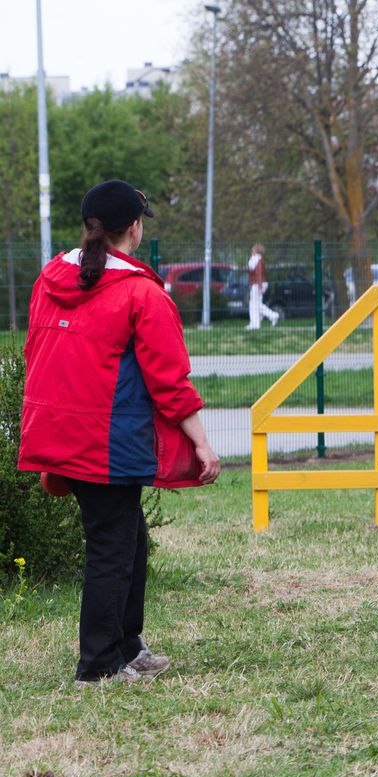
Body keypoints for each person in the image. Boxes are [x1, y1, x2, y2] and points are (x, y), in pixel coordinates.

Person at [18, 180, 221, 685]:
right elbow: (170, 382)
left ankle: (128, 647)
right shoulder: (138, 292)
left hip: (60, 431)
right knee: (112, 547)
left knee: (128, 538)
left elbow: (33, 354)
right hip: (107, 441)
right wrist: (201, 441)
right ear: (134, 227)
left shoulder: (50, 277)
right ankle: (99, 665)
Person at [246, 243, 280, 329]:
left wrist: (260, 286)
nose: (251, 250)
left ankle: (255, 324)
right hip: (257, 284)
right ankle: (272, 316)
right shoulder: (257, 260)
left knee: (253, 305)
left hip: (257, 285)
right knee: (257, 305)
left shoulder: (256, 260)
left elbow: (259, 274)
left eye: (253, 249)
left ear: (256, 251)